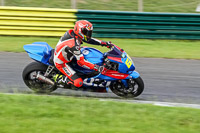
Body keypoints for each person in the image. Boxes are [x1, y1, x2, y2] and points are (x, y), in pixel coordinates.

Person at [53, 20, 112, 88]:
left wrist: (104, 43)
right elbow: (81, 62)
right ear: (79, 30)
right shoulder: (73, 45)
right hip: (62, 63)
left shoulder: (74, 33)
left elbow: (89, 40)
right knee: (78, 82)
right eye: (86, 32)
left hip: (68, 54)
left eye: (89, 33)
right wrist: (97, 68)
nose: (88, 35)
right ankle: (58, 78)